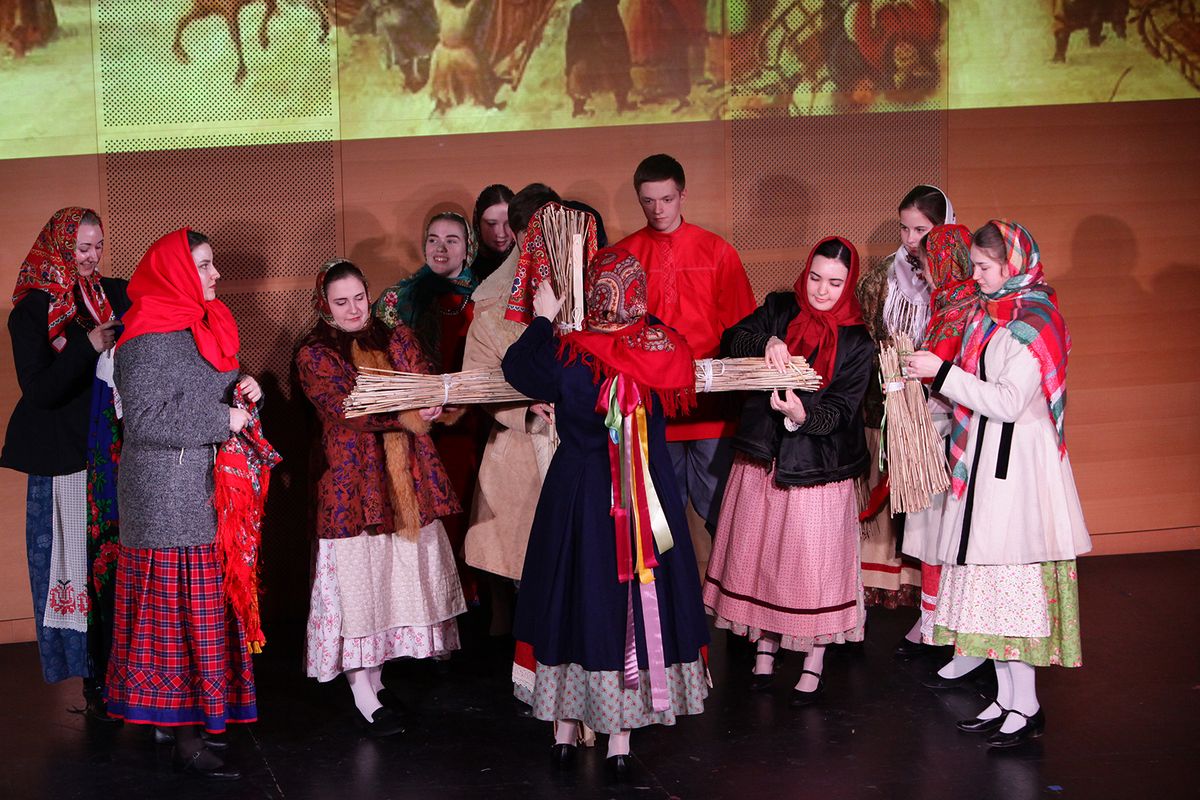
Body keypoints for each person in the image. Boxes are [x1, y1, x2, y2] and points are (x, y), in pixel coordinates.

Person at [503, 247, 709, 780]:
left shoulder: (569, 352)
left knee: (574, 594)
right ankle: (620, 737)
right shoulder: (663, 348)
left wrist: (545, 318)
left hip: (578, 493)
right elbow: (671, 339)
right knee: (632, 598)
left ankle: (564, 730)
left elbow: (516, 367)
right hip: (644, 495)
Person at [904, 220, 1090, 747]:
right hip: (988, 458)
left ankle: (1026, 706)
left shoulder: (1037, 320)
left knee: (1011, 586)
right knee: (989, 585)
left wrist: (942, 374)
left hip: (1019, 469)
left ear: (1012, 265)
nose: (977, 276)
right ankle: (1008, 698)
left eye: (985, 267)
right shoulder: (992, 313)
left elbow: (1009, 401)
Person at [105, 229, 263, 779]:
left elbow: (210, 391)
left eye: (213, 263)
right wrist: (223, 418)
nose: (215, 274)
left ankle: (185, 722)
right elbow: (145, 421)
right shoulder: (144, 338)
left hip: (204, 491)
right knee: (174, 620)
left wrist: (245, 389)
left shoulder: (207, 322)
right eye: (203, 265)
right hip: (166, 500)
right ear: (174, 272)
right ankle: (184, 737)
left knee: (201, 617)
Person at [297, 258, 466, 737]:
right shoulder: (316, 354)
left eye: (358, 298)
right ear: (325, 305)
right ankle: (362, 691)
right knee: (359, 584)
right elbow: (352, 408)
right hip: (353, 483)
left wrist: (434, 402)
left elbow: (424, 380)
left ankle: (377, 680)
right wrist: (412, 410)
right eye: (341, 302)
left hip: (404, 480)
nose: (353, 309)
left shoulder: (395, 337)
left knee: (391, 579)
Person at [704, 236, 873, 705]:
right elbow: (731, 339)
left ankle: (814, 657)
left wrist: (803, 416)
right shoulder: (780, 307)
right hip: (763, 455)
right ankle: (766, 645)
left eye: (835, 283)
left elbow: (842, 408)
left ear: (848, 284)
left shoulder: (857, 339)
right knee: (763, 556)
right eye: (816, 278)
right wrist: (769, 340)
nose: (822, 290)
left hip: (818, 466)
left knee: (812, 564)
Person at [2, 207, 128, 723]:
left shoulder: (112, 295)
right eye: (82, 248)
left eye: (98, 246)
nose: (92, 257)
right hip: (66, 460)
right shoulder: (31, 311)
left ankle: (127, 672)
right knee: (79, 568)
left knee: (118, 567)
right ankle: (94, 680)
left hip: (114, 453)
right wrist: (87, 345)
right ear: (59, 246)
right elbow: (40, 390)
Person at [617, 153, 756, 534]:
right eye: (648, 201)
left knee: (723, 515)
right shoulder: (623, 257)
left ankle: (726, 577)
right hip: (653, 407)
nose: (658, 209)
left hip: (712, 406)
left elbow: (743, 328)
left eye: (667, 199)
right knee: (660, 522)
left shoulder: (717, 251)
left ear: (683, 195)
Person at [462, 182, 560, 636]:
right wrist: (525, 409)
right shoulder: (490, 302)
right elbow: (479, 379)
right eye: (533, 233)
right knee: (529, 563)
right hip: (524, 442)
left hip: (589, 438)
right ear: (519, 237)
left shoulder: (595, 286)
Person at [855, 185, 952, 630]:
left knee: (931, 514)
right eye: (905, 228)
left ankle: (934, 611)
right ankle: (882, 602)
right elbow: (866, 340)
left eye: (922, 230)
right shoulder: (880, 279)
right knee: (891, 509)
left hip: (941, 413)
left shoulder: (956, 282)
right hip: (888, 407)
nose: (911, 239)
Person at [375, 211, 480, 600]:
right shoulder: (397, 299)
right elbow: (379, 367)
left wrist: (456, 402)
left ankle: (473, 602)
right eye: (433, 239)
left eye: (452, 240)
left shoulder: (486, 296)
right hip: (414, 430)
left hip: (471, 426)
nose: (441, 248)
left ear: (468, 247)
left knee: (469, 516)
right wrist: (415, 407)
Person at [900, 224, 978, 654]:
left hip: (954, 436)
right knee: (934, 533)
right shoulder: (946, 304)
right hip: (935, 431)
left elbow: (953, 373)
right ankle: (934, 623)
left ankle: (950, 629)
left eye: (928, 264)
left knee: (945, 533)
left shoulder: (965, 309)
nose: (925, 273)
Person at [565, 0, 637, 117]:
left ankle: (621, 102)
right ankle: (621, 103)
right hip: (601, 13)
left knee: (583, 54)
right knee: (612, 55)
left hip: (595, 11)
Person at [470, 184, 515, 281]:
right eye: (491, 224)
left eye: (508, 223)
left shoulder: (529, 262)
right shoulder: (462, 268)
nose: (501, 234)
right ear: (478, 224)